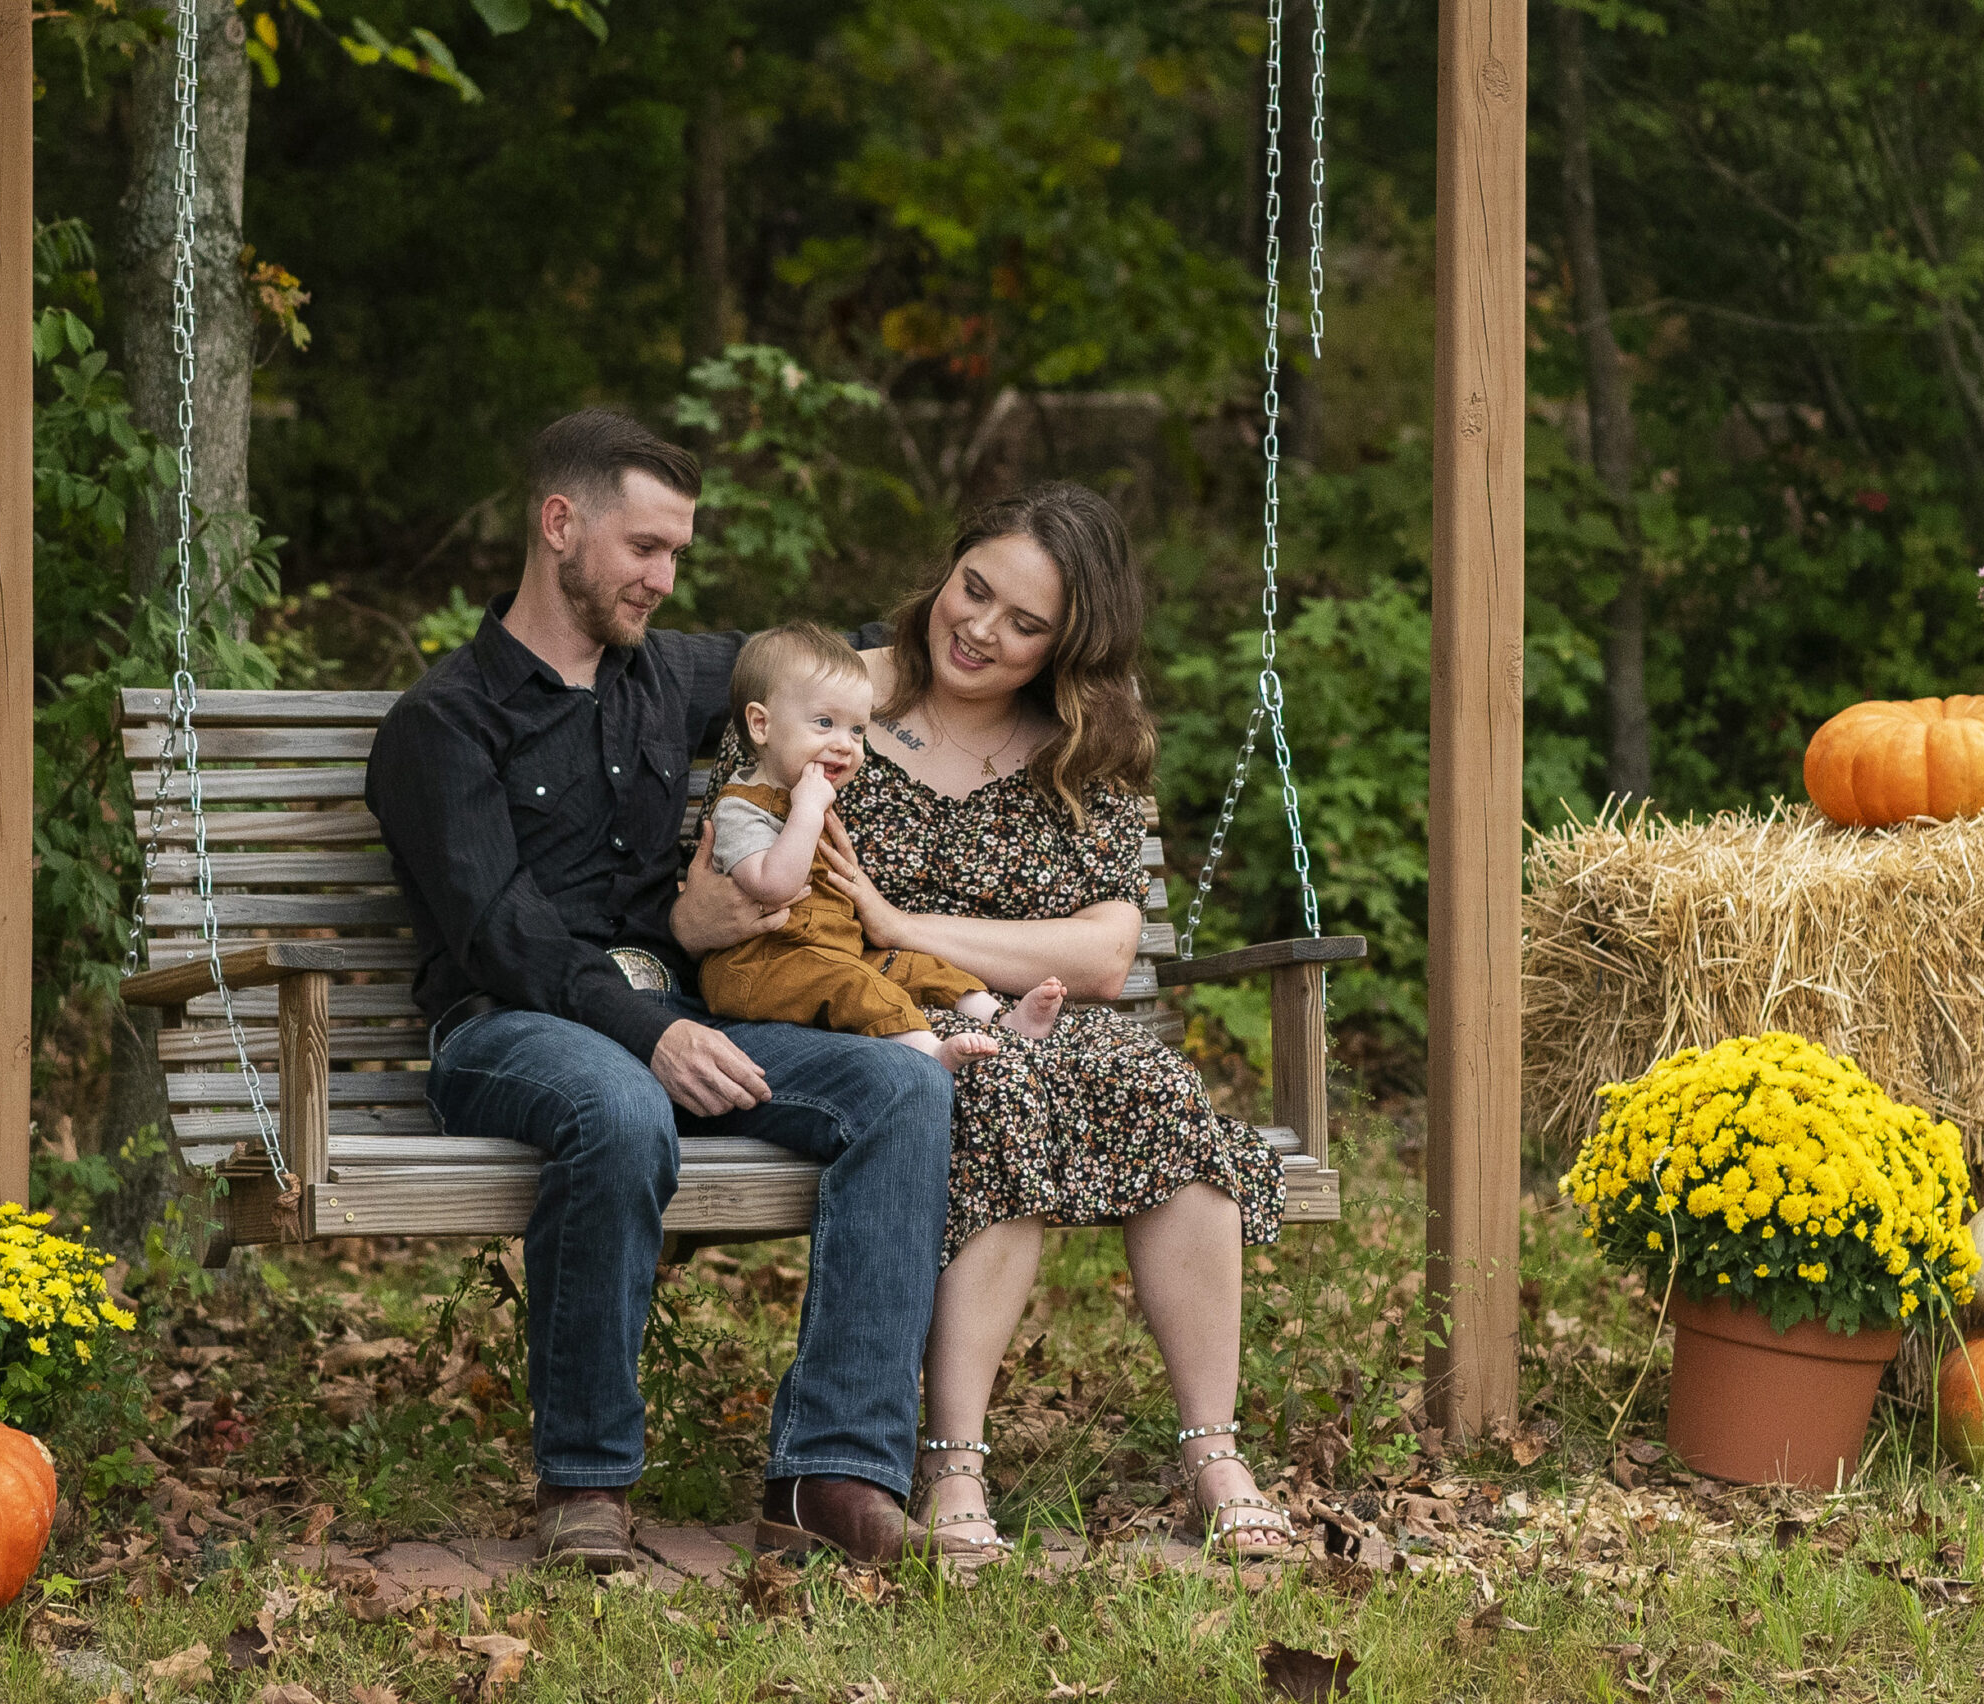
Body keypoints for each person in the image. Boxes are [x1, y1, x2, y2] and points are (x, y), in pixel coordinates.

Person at [366, 408, 986, 1573]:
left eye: (677, 555)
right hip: (508, 1032)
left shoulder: (675, 677)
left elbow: (842, 661)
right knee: (618, 1104)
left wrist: (976, 608)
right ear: (560, 525)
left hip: (685, 1023)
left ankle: (831, 1475)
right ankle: (586, 1487)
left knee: (900, 1095)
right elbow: (503, 939)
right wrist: (650, 1032)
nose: (664, 577)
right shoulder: (441, 726)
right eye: (645, 548)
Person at [702, 483, 1296, 1558]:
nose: (981, 630)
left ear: (1068, 644)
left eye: (1025, 626)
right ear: (947, 566)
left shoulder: (1084, 741)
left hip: (1038, 1011)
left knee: (1160, 1087)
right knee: (992, 1082)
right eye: (973, 591)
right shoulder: (832, 702)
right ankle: (953, 1459)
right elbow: (738, 856)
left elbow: (1105, 954)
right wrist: (914, 941)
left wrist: (897, 912)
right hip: (867, 1017)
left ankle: (1214, 1449)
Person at [699, 620, 1067, 1071]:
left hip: (829, 955)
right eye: (824, 723)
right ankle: (928, 1051)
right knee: (855, 984)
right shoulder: (742, 808)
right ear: (761, 724)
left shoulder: (809, 795)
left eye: (857, 730)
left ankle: (1003, 1018)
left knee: (914, 965)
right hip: (758, 969)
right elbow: (773, 885)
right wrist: (808, 811)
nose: (845, 745)